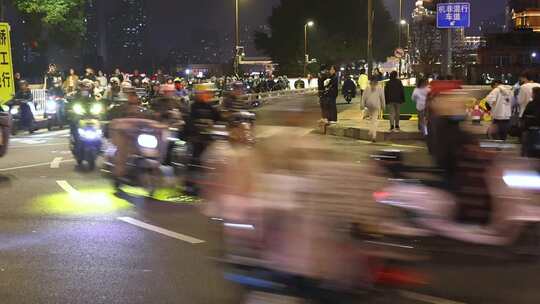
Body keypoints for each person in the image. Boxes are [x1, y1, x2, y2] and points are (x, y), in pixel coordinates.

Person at [361, 78, 385, 142]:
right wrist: (383, 106)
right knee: (374, 120)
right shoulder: (380, 88)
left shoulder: (367, 88)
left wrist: (362, 105)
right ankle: (373, 135)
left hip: (369, 106)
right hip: (376, 106)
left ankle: (372, 132)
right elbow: (382, 98)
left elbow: (363, 97)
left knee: (372, 119)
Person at [522, 87, 540, 157]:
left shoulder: (531, 104)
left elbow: (525, 116)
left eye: (532, 93)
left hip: (532, 132)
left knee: (531, 154)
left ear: (535, 94)